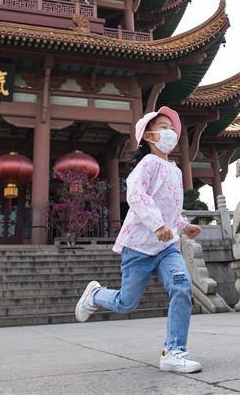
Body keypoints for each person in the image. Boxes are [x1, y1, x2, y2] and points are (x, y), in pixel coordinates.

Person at [74, 106, 204, 373]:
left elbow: (170, 208)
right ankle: (95, 294)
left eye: (172, 128)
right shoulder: (147, 164)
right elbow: (136, 195)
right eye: (164, 128)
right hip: (138, 246)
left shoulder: (176, 171)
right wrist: (157, 225)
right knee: (126, 303)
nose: (170, 132)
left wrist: (183, 225)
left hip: (167, 247)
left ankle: (174, 351)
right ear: (148, 135)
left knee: (182, 286)